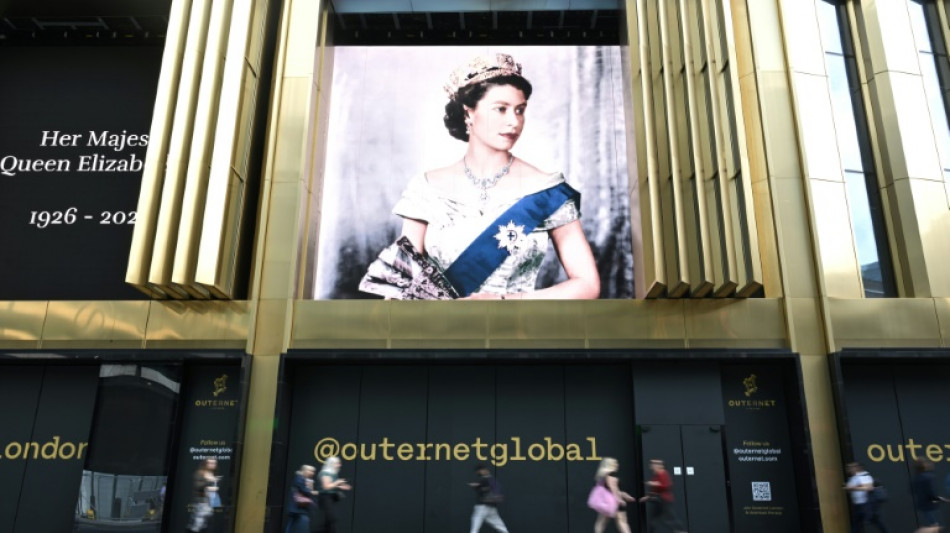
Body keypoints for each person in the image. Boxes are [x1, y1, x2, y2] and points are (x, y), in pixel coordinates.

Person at [365, 52, 600, 300]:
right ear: (468, 113)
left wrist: (505, 302)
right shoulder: (426, 188)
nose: (514, 122)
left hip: (519, 331)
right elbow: (402, 283)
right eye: (501, 109)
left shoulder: (547, 189)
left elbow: (587, 285)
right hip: (442, 333)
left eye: (520, 110)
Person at [640, 459, 686, 533]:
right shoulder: (656, 476)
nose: (652, 467)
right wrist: (647, 497)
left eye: (654, 465)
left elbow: (667, 486)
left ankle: (680, 531)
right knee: (654, 520)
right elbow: (655, 490)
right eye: (652, 465)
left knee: (669, 519)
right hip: (658, 500)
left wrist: (656, 484)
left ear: (659, 466)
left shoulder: (663, 474)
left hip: (664, 500)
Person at [843, 462, 888, 533]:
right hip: (857, 505)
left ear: (857, 468)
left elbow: (868, 488)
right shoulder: (852, 478)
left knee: (876, 522)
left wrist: (852, 488)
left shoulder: (863, 476)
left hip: (866, 504)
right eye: (848, 467)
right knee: (857, 525)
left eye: (851, 467)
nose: (849, 469)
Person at [593, 457, 635, 533]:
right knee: (622, 522)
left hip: (607, 502)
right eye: (615, 463)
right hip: (614, 502)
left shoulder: (602, 476)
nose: (617, 465)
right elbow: (614, 489)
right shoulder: (610, 475)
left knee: (601, 523)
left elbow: (615, 490)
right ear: (610, 465)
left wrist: (626, 496)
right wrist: (619, 500)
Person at [469, 463, 509, 533]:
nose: (484, 471)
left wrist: (480, 487)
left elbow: (474, 484)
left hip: (482, 507)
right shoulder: (489, 479)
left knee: (475, 527)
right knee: (500, 526)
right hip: (491, 508)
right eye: (482, 470)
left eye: (483, 469)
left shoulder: (485, 479)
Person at [912, 459, 949, 533]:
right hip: (931, 505)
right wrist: (942, 499)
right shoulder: (929, 477)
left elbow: (912, 490)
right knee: (938, 527)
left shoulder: (916, 478)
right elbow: (932, 493)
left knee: (935, 526)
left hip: (923, 505)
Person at [317, 456, 352, 533]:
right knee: (331, 519)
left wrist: (341, 486)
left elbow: (332, 485)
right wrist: (337, 482)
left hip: (331, 498)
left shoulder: (334, 474)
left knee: (330, 522)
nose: (340, 465)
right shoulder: (325, 473)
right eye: (337, 463)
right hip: (325, 498)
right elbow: (326, 487)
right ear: (331, 464)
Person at [187, 458, 219, 532]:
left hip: (210, 501)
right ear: (205, 464)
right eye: (210, 463)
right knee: (197, 523)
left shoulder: (212, 474)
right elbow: (197, 486)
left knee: (206, 524)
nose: (213, 465)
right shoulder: (200, 473)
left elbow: (212, 488)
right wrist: (209, 481)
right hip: (201, 502)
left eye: (214, 463)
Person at [285, 464, 316, 533]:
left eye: (313, 471)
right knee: (295, 525)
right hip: (297, 508)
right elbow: (304, 490)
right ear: (304, 470)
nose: (312, 473)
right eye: (310, 471)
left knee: (291, 525)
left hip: (298, 508)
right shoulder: (299, 478)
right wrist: (312, 492)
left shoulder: (305, 479)